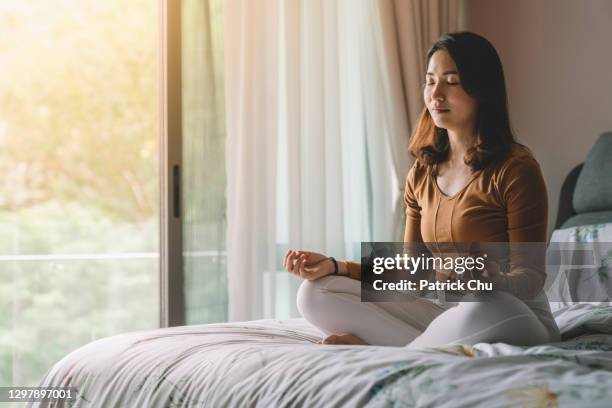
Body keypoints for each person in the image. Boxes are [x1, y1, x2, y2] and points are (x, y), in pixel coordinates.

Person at [283, 32, 561, 348]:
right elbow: (409, 272)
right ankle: (419, 347)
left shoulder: (516, 168)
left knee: (483, 304)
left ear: (481, 89)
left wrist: (492, 281)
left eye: (452, 81)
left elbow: (531, 277)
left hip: (509, 313)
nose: (435, 94)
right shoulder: (422, 173)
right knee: (316, 292)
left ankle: (390, 348)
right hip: (443, 313)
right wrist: (336, 266)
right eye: (430, 82)